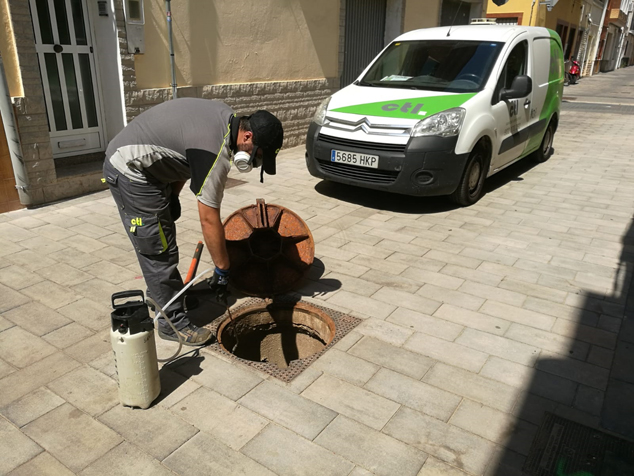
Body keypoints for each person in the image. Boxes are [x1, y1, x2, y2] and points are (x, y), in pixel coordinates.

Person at [103, 98, 284, 345]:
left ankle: (164, 296)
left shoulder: (226, 119)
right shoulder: (214, 152)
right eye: (258, 155)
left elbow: (183, 155)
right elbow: (209, 220)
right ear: (247, 136)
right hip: (130, 170)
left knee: (163, 236)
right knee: (158, 247)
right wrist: (222, 269)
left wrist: (174, 194)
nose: (254, 162)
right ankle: (172, 323)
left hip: (150, 169)